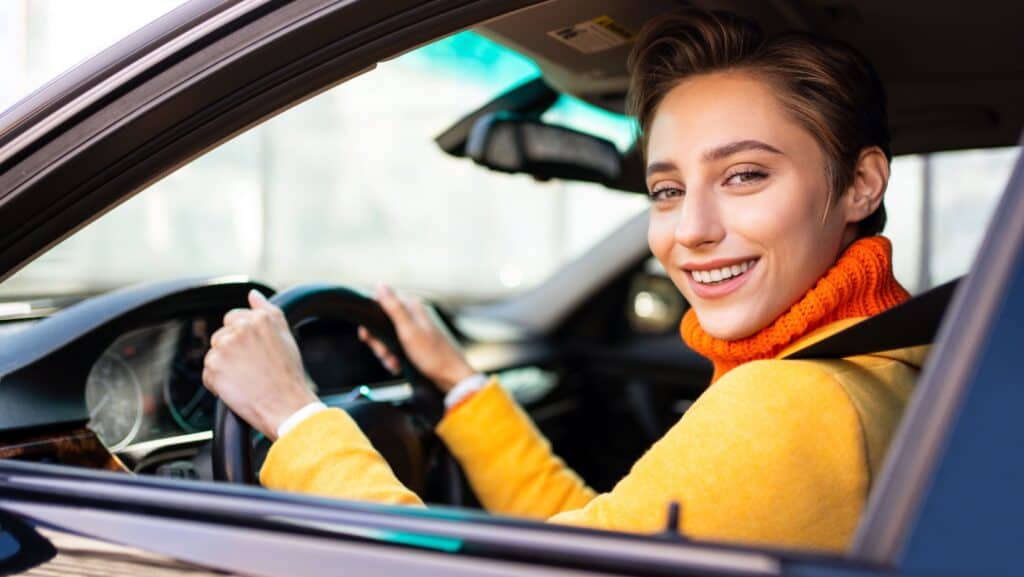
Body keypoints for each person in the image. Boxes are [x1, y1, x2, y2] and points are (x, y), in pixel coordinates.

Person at [201, 8, 927, 552]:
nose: (691, 229)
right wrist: (461, 385)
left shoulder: (790, 403)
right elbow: (587, 543)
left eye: (744, 175)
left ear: (860, 184)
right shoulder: (885, 364)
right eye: (667, 190)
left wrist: (295, 417)